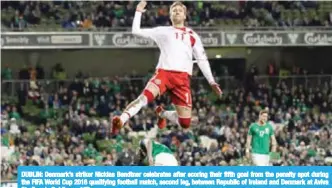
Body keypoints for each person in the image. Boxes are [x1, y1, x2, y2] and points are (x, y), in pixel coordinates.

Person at [112, 1, 222, 133]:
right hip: (164, 74)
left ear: (185, 16)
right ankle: (121, 120)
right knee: (144, 98)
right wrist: (138, 11)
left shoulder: (193, 35)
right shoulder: (163, 31)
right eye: (174, 10)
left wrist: (211, 81)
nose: (177, 12)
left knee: (185, 123)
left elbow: (202, 59)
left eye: (180, 10)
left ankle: (162, 113)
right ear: (170, 16)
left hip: (182, 79)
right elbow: (136, 31)